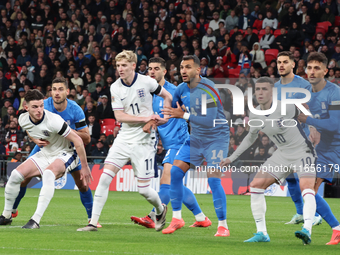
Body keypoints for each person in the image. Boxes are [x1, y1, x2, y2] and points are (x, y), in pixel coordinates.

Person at [77, 50, 172, 232]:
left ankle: (160, 210)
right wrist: (145, 119)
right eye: (118, 65)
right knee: (104, 178)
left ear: (133, 66)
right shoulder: (115, 87)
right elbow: (119, 115)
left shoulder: (147, 82)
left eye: (124, 65)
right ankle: (93, 222)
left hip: (144, 140)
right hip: (125, 136)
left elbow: (167, 96)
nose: (120, 69)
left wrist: (164, 118)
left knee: (144, 190)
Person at [220, 77, 317, 244]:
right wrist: (231, 157)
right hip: (282, 154)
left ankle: (307, 229)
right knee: (256, 186)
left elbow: (306, 111)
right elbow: (250, 138)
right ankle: (262, 233)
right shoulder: (255, 113)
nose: (260, 92)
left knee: (306, 187)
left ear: (272, 91)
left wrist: (314, 128)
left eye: (264, 89)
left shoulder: (285, 106)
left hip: (303, 151)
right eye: (257, 89)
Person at [130, 57, 211, 229]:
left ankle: (154, 215)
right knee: (176, 184)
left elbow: (181, 114)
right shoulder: (149, 95)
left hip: (181, 142)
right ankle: (201, 217)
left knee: (166, 180)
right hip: (169, 144)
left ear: (164, 72)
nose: (152, 72)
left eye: (156, 69)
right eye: (150, 69)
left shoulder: (174, 92)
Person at [10, 77, 100, 227]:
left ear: (67, 91)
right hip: (44, 147)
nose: (56, 93)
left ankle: (92, 218)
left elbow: (87, 138)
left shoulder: (75, 109)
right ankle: (13, 209)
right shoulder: (42, 105)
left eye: (60, 89)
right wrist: (34, 139)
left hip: (68, 150)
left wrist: (65, 130)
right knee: (23, 178)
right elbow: (29, 123)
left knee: (82, 184)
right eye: (54, 89)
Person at [161, 55, 230, 236]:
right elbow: (173, 107)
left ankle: (223, 226)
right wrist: (158, 119)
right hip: (196, 138)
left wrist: (182, 115)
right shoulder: (181, 89)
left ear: (198, 70)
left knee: (214, 179)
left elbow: (209, 120)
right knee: (175, 172)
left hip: (216, 138)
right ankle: (177, 219)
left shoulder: (208, 88)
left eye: (188, 67)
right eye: (181, 67)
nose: (183, 70)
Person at [274, 51, 322, 226]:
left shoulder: (303, 85)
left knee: (304, 179)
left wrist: (313, 128)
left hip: (303, 138)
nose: (281, 65)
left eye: (285, 62)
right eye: (279, 62)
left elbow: (312, 108)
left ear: (293, 64)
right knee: (290, 178)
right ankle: (300, 213)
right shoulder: (276, 87)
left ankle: (315, 215)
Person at [297, 52, 340, 245]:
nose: (312, 72)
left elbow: (334, 125)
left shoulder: (334, 92)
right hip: (317, 147)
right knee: (308, 189)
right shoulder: (307, 92)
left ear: (325, 70)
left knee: (310, 188)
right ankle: (334, 229)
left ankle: (309, 229)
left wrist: (309, 120)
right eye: (309, 67)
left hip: (334, 148)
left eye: (316, 68)